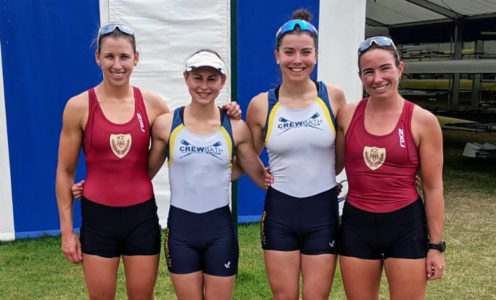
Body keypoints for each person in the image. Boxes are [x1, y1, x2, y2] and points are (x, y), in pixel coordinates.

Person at [56, 24, 240, 300]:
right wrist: (67, 231)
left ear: (136, 58)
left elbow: (192, 127)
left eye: (124, 57)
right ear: (98, 57)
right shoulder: (79, 106)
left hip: (140, 217)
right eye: (109, 57)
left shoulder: (153, 105)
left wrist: (226, 112)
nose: (117, 65)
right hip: (98, 217)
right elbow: (64, 171)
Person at [146, 49, 269, 300]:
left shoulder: (236, 127)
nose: (204, 86)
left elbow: (259, 175)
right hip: (181, 231)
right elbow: (141, 174)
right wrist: (96, 183)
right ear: (186, 78)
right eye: (197, 77)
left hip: (219, 232)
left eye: (211, 79)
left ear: (222, 82)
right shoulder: (166, 125)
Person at [246, 9, 346, 300]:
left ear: (316, 55)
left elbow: (342, 154)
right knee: (284, 296)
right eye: (289, 52)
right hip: (280, 212)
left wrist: (327, 175)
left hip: (322, 210)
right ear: (277, 55)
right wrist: (259, 175)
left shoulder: (333, 97)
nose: (297, 60)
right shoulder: (261, 105)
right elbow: (247, 153)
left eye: (305, 52)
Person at [335, 36, 445, 300]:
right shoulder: (347, 115)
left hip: (405, 225)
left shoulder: (423, 121)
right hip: (356, 225)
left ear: (400, 69)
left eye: (385, 68)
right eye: (368, 72)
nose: (377, 78)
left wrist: (436, 246)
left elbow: (432, 186)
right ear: (360, 76)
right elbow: (329, 163)